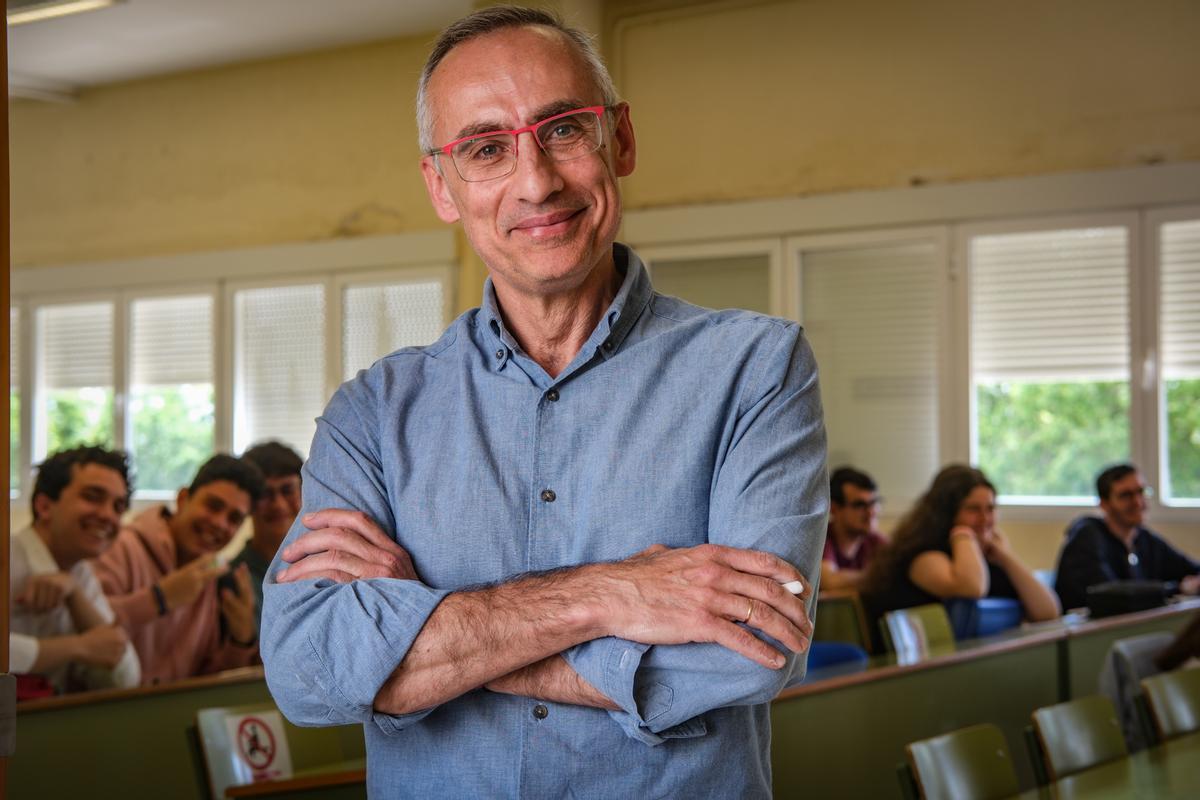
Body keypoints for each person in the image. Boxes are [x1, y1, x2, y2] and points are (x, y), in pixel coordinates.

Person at [261, 7, 827, 797]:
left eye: (563, 130)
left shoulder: (755, 368)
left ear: (619, 141)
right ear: (442, 186)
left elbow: (752, 651)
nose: (536, 181)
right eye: (485, 149)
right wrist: (612, 593)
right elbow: (309, 671)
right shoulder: (370, 415)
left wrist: (425, 636)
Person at [93, 454, 263, 684]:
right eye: (213, 506)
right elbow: (82, 627)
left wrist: (241, 641)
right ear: (183, 499)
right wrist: (158, 599)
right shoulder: (120, 547)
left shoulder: (213, 576)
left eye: (234, 518)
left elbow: (207, 684)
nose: (220, 523)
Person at [862, 464, 1060, 650]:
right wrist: (962, 535)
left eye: (990, 509)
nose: (985, 519)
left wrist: (1006, 557)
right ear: (946, 513)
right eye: (973, 509)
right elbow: (971, 587)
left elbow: (1048, 612)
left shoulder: (990, 557)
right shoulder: (923, 556)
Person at [9, 446, 140, 694]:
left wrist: (75, 594)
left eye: (118, 507)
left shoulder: (80, 573)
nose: (108, 516)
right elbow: (92, 647)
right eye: (93, 497)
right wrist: (76, 647)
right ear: (45, 506)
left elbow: (125, 678)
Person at [1054, 464, 1200, 611]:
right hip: (1092, 630)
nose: (1138, 502)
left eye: (1141, 492)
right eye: (1126, 495)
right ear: (1104, 504)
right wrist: (1178, 588)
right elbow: (1113, 596)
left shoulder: (1144, 539)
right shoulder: (1087, 537)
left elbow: (1192, 569)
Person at [230, 441, 303, 634]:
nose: (278, 505)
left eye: (287, 490)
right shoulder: (233, 578)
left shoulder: (325, 565)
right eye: (265, 494)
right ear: (248, 504)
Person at [821, 466, 887, 591]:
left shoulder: (876, 541)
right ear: (834, 508)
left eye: (873, 503)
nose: (871, 512)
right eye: (860, 505)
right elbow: (829, 581)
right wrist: (879, 576)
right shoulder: (822, 540)